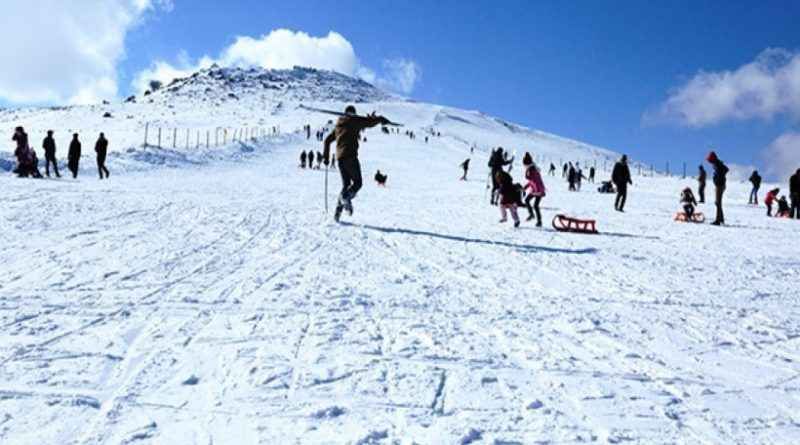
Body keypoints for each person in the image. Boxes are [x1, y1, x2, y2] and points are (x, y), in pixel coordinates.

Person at [323, 105, 389, 221]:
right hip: (350, 157)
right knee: (358, 183)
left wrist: (326, 157)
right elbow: (368, 123)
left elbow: (327, 141)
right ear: (353, 113)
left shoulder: (338, 126)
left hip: (340, 159)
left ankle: (337, 214)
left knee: (346, 185)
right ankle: (345, 198)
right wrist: (380, 119)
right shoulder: (353, 121)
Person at [706, 151, 728, 225]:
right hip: (719, 185)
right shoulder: (717, 164)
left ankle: (718, 220)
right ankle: (721, 219)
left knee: (718, 203)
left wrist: (718, 178)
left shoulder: (717, 164)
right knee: (717, 203)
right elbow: (725, 170)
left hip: (719, 185)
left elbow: (725, 170)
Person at [523, 161, 546, 226]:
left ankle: (539, 221)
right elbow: (530, 182)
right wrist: (524, 188)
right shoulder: (532, 173)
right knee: (527, 200)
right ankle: (532, 214)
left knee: (535, 206)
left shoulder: (533, 173)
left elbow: (532, 181)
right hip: (534, 191)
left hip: (539, 191)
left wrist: (538, 192)